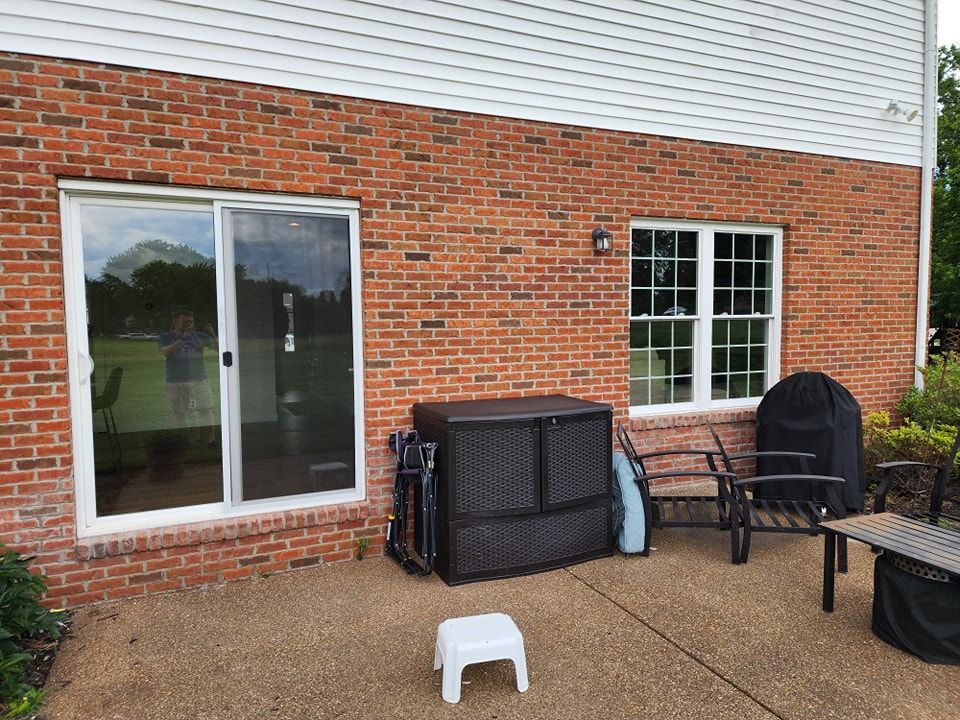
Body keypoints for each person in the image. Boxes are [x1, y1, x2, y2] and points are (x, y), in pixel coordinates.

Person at [157, 310, 218, 446]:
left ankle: (211, 440)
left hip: (199, 379)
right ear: (175, 322)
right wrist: (183, 338)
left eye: (191, 321)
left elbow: (219, 348)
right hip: (175, 381)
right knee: (180, 413)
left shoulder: (200, 336)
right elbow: (166, 352)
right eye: (185, 321)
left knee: (205, 409)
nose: (189, 324)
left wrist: (212, 333)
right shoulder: (165, 336)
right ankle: (185, 440)